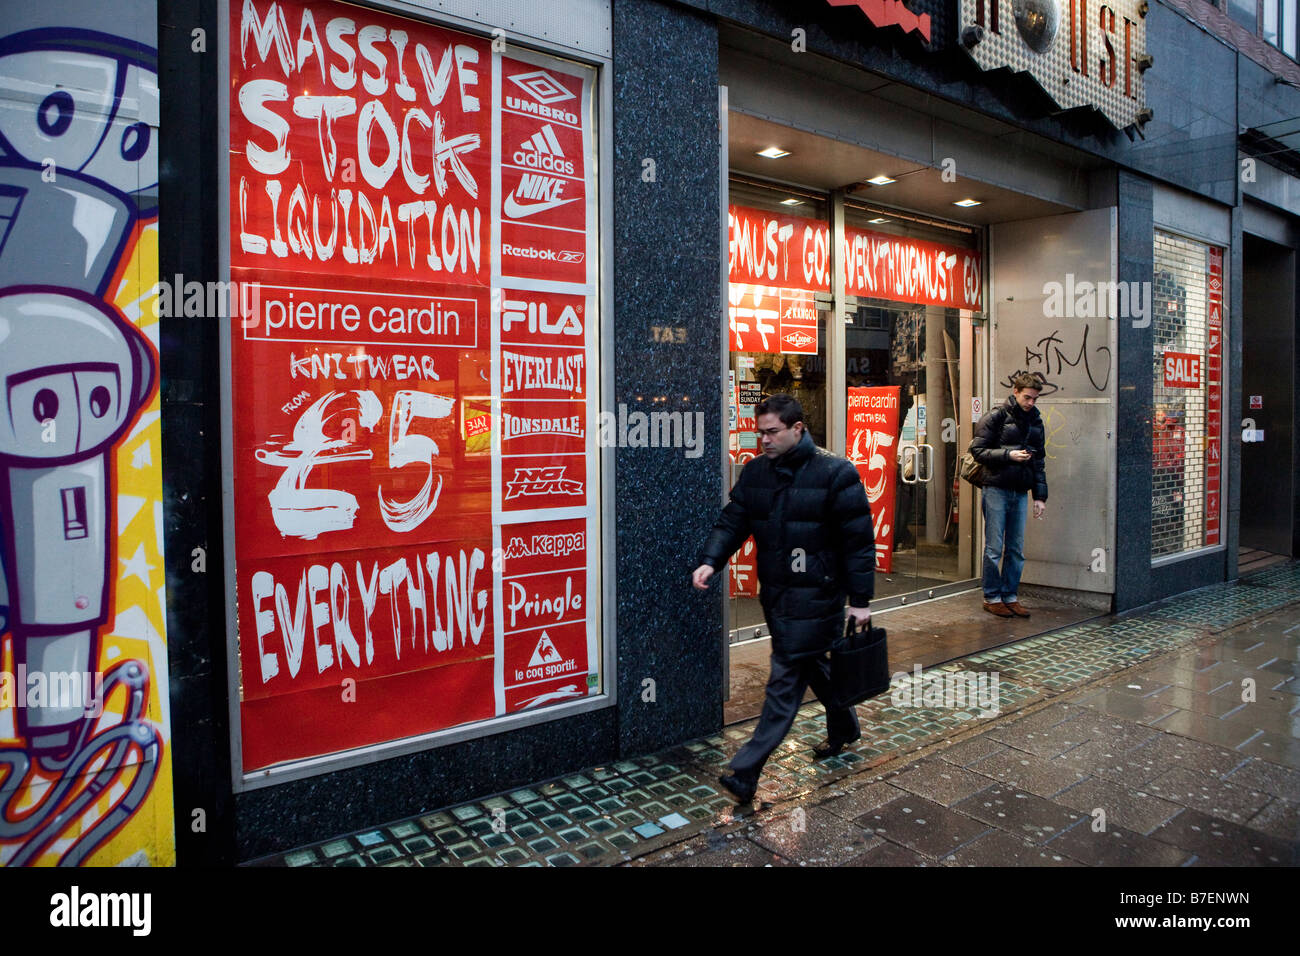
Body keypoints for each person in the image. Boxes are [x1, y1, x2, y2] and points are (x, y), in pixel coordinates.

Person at [692, 394, 875, 804]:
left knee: (785, 681)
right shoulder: (757, 473)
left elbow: (858, 542)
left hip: (819, 596)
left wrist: (860, 599)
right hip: (775, 596)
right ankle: (844, 726)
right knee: (812, 664)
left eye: (772, 432)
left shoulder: (835, 472)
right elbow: (734, 519)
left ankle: (745, 771)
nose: (764, 440)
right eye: (760, 432)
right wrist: (711, 561)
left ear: (798, 428)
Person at [969, 373, 1048, 618]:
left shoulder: (1035, 421)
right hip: (996, 488)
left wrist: (1040, 497)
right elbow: (977, 450)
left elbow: (1039, 461)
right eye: (1027, 397)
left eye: (1035, 398)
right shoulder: (996, 416)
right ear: (1015, 391)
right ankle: (992, 597)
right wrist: (1008, 456)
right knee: (994, 546)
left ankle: (1010, 595)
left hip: (1020, 491)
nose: (1031, 403)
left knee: (1016, 548)